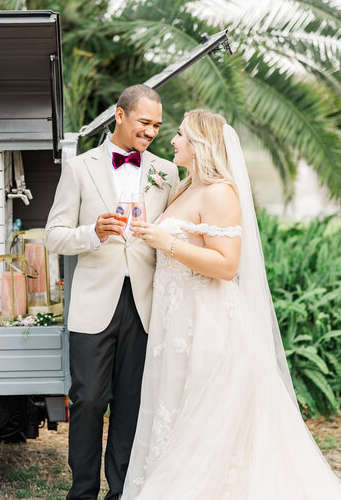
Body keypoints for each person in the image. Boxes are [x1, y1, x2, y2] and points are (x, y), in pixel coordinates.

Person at [122, 109, 341, 499]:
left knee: (205, 414)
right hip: (175, 321)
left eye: (181, 135)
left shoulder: (220, 193)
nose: (172, 140)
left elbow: (226, 266)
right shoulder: (186, 187)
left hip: (206, 320)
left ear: (201, 145)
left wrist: (164, 241)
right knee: (175, 409)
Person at [44, 84, 179, 500]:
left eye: (156, 125)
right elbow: (53, 236)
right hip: (93, 304)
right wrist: (92, 233)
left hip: (145, 303)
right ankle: (82, 491)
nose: (151, 131)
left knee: (132, 404)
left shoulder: (167, 172)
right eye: (144, 122)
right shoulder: (80, 168)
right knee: (87, 401)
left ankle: (121, 492)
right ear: (119, 116)